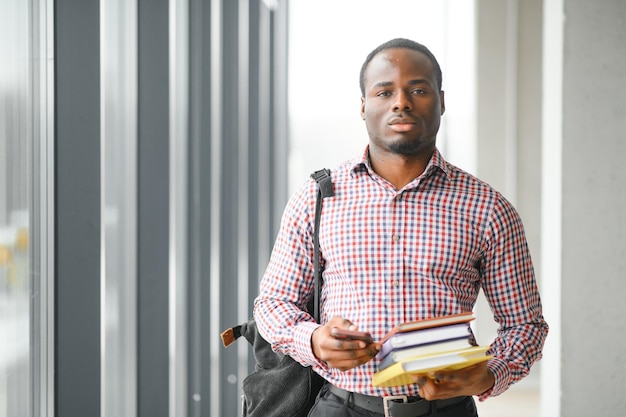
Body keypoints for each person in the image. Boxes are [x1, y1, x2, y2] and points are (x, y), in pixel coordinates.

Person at [254, 38, 548, 417]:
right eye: (384, 91)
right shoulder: (318, 197)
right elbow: (273, 304)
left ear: (441, 101)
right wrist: (312, 339)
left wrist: (489, 374)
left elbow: (525, 325)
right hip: (340, 407)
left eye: (418, 89)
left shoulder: (488, 208)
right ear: (363, 106)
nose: (401, 102)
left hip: (446, 411)